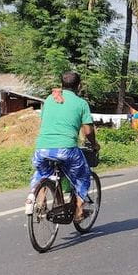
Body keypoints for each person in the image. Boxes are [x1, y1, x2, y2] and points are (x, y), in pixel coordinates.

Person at [24, 71, 100, 221]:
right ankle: (78, 211)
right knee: (83, 176)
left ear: (62, 84)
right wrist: (94, 144)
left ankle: (40, 197)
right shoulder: (81, 103)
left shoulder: (49, 100)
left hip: (42, 148)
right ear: (79, 85)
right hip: (66, 149)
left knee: (42, 173)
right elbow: (88, 131)